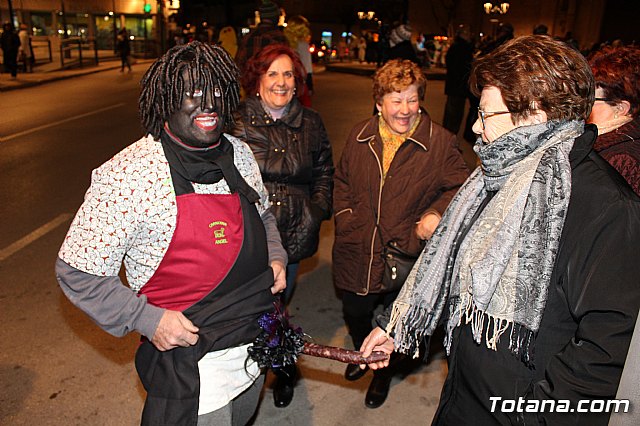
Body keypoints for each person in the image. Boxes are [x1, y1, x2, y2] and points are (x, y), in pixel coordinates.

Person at [361, 35, 640, 425]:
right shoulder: (498, 176)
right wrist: (397, 324)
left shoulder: (606, 207)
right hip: (463, 393)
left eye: (487, 114)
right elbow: (455, 263)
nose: (476, 127)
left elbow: (606, 347)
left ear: (537, 114)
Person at [55, 41, 287, 426]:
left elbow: (262, 213)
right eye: (192, 93)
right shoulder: (130, 175)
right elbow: (76, 270)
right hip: (194, 369)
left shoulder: (240, 152)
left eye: (215, 90)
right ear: (165, 99)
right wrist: (148, 319)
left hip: (253, 345)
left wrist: (275, 255)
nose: (208, 104)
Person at [333, 58, 469, 409]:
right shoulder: (360, 134)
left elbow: (461, 186)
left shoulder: (440, 143)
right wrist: (347, 218)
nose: (405, 109)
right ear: (379, 103)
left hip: (404, 252)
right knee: (356, 312)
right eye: (396, 99)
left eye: (412, 99)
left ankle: (382, 373)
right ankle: (363, 355)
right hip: (358, 246)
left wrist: (435, 213)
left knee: (394, 322)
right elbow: (342, 181)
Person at [229, 43, 334, 409]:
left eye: (288, 73)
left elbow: (324, 172)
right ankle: (248, 369)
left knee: (277, 305)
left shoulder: (312, 123)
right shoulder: (236, 121)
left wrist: (316, 210)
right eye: (272, 73)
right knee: (249, 307)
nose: (281, 81)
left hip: (292, 232)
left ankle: (284, 370)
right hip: (246, 235)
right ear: (257, 80)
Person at [587, 44, 640, 196]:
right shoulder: (609, 141)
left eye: (591, 99)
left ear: (621, 108)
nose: (583, 106)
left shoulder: (622, 160)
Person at [235, 0, 288, 75]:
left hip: (251, 84)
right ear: (275, 17)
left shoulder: (248, 37)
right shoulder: (279, 38)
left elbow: (238, 65)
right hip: (272, 83)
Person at [442, 25, 474, 136]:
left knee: (451, 113)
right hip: (458, 86)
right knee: (455, 115)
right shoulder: (462, 49)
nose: (470, 35)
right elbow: (462, 68)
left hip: (454, 85)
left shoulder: (456, 47)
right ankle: (449, 139)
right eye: (468, 33)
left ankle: (447, 137)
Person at [283, 15, 314, 107]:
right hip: (298, 83)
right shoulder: (303, 45)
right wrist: (310, 86)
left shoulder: (284, 43)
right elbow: (307, 68)